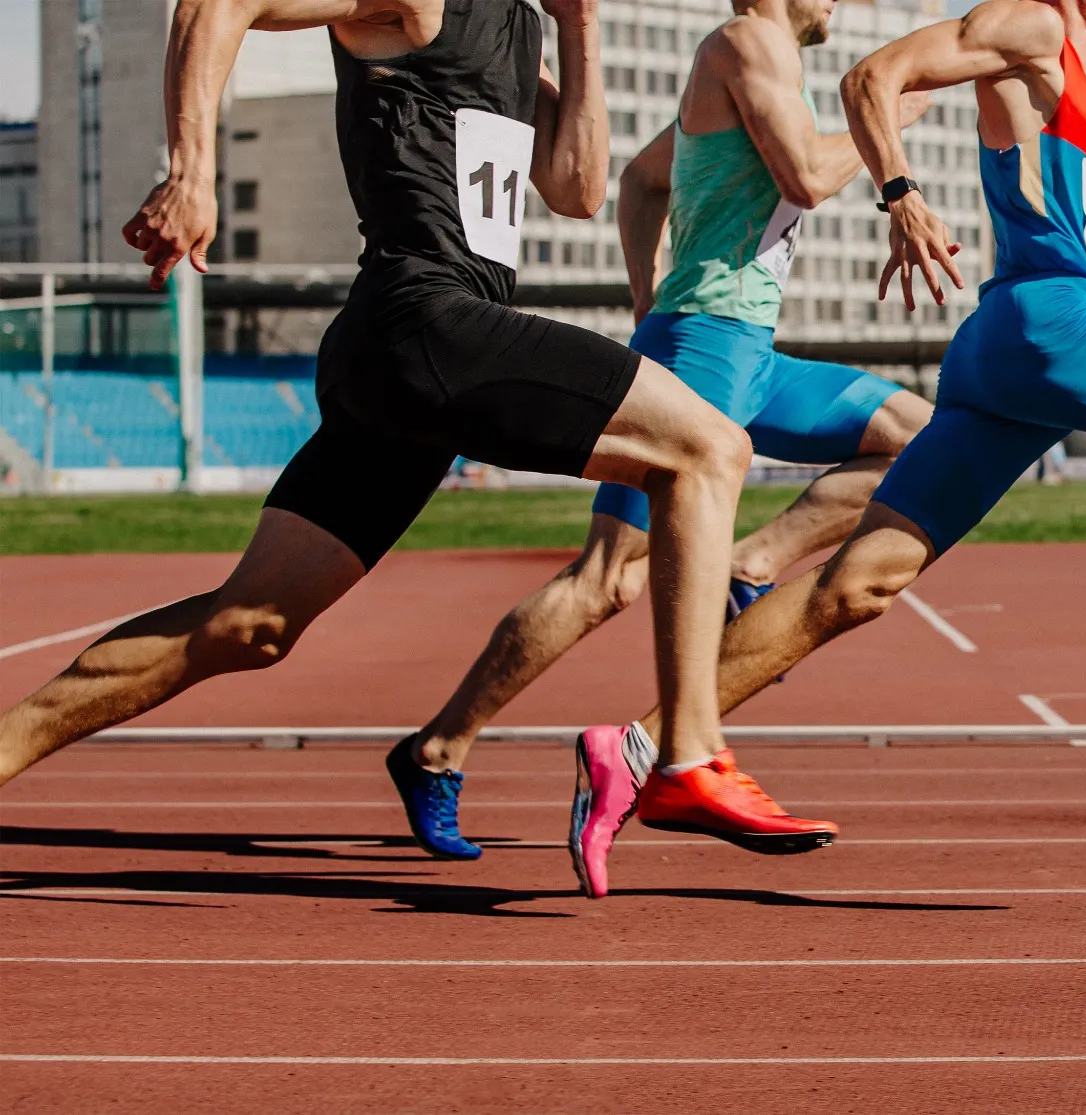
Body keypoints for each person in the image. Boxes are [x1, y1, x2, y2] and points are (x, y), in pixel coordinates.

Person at [564, 0, 1086, 895]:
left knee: (856, 587)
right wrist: (902, 196)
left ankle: (638, 745)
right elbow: (872, 79)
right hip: (1053, 326)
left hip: (1008, 364)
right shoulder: (1032, 29)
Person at [0, 0, 781, 853]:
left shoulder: (524, 36)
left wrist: (579, 26)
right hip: (420, 320)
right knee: (710, 448)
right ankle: (687, 756)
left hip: (418, 356)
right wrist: (193, 170)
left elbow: (576, 188)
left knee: (247, 626)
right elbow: (218, 4)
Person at [381, 0, 936, 886]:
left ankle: (750, 566)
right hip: (706, 348)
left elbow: (643, 180)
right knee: (609, 580)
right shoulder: (747, 43)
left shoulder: (761, 65)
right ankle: (436, 750)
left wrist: (649, 304)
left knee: (919, 437)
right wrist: (890, 120)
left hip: (743, 349)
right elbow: (804, 177)